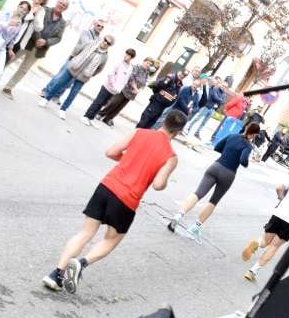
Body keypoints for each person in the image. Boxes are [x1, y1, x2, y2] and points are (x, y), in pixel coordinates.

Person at [43, 110, 185, 294]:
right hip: (127, 200)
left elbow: (110, 152)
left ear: (163, 121)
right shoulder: (171, 157)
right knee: (111, 241)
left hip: (107, 186)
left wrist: (129, 160)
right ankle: (80, 263)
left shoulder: (140, 132)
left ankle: (56, 274)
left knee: (85, 233)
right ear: (179, 132)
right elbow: (158, 185)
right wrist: (164, 180)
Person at [167, 122, 261, 239]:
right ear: (254, 134)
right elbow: (243, 161)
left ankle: (178, 215)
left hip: (216, 167)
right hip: (228, 174)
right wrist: (248, 160)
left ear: (246, 128)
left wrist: (228, 153)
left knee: (198, 193)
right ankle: (195, 227)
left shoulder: (231, 136)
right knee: (213, 201)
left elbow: (217, 147)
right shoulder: (248, 146)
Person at [1, 0, 69, 96]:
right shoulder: (44, 10)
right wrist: (38, 38)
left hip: (40, 49)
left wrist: (46, 42)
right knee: (10, 59)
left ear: (66, 8)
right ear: (57, 2)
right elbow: (34, 23)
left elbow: (58, 38)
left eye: (64, 5)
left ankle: (8, 87)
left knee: (24, 69)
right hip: (28, 41)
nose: (61, 5)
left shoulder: (63, 23)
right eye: (60, 3)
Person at [39, 34, 113, 118]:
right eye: (105, 40)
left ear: (110, 45)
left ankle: (63, 109)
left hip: (84, 76)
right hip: (73, 68)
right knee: (59, 84)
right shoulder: (91, 44)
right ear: (103, 39)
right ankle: (46, 99)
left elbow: (100, 69)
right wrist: (73, 60)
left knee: (73, 93)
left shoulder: (105, 56)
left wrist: (90, 74)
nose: (105, 43)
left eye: (108, 43)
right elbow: (77, 50)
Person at [80, 47, 135, 125]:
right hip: (107, 87)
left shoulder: (130, 68)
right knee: (98, 102)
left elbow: (125, 79)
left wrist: (119, 88)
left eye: (128, 55)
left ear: (132, 57)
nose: (125, 56)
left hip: (115, 90)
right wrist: (113, 85)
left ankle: (91, 118)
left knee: (103, 104)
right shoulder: (119, 63)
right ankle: (86, 116)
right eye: (126, 54)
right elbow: (111, 74)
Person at [96, 56, 155, 126]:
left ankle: (108, 118)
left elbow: (144, 83)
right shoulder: (136, 67)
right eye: (147, 63)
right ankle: (100, 114)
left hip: (132, 93)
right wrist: (135, 88)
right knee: (114, 103)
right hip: (125, 89)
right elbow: (131, 78)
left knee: (120, 107)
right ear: (144, 61)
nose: (148, 65)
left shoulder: (147, 72)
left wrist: (138, 90)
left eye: (150, 64)